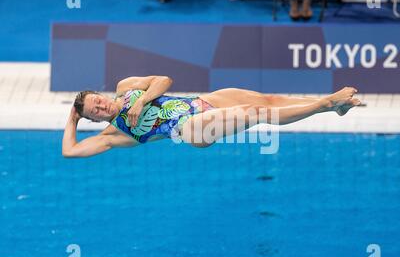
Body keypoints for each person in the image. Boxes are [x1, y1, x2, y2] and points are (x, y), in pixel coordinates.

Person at [62, 75, 361, 158]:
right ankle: (327, 104)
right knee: (256, 114)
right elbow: (70, 151)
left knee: (267, 99)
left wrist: (143, 102)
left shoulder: (125, 87)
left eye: (98, 102)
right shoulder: (114, 134)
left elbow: (164, 80)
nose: (101, 108)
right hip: (190, 130)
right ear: (97, 120)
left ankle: (332, 104)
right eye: (95, 112)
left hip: (201, 102)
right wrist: (73, 117)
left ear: (101, 94)